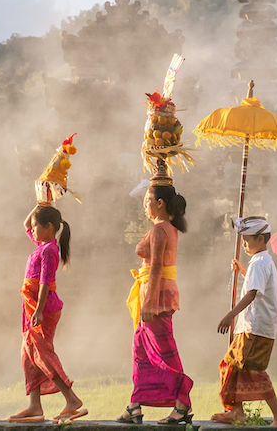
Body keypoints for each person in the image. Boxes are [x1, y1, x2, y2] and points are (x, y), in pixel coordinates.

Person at [117, 172, 194, 425]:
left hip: (156, 296)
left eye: (147, 199)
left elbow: (157, 268)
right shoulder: (165, 228)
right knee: (140, 350)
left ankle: (182, 403)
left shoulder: (160, 230)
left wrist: (149, 303)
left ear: (160, 203)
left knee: (163, 350)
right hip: (152, 293)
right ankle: (134, 405)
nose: (144, 205)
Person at [8, 203, 87, 423]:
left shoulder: (50, 250)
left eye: (36, 226)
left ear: (49, 227)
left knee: (42, 353)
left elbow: (44, 283)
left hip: (44, 306)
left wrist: (40, 310)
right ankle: (35, 406)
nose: (32, 230)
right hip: (31, 305)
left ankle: (72, 399)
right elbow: (25, 224)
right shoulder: (41, 245)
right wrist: (40, 203)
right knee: (28, 354)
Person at [212, 216, 277, 426]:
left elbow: (253, 293)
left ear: (261, 239)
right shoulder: (261, 262)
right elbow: (256, 285)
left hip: (254, 328)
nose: (244, 244)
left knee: (252, 371)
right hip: (251, 327)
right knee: (232, 366)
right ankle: (236, 411)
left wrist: (231, 315)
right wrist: (242, 271)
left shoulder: (260, 263)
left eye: (247, 239)